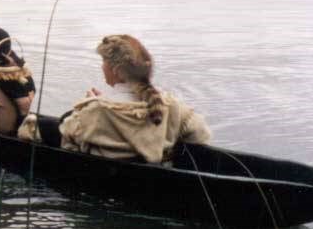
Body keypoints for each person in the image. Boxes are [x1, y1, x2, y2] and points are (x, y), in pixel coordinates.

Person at [58, 34, 211, 164]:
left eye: (103, 61)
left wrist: (88, 105)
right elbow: (200, 135)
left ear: (116, 71)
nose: (101, 67)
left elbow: (66, 131)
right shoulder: (172, 106)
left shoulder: (96, 111)